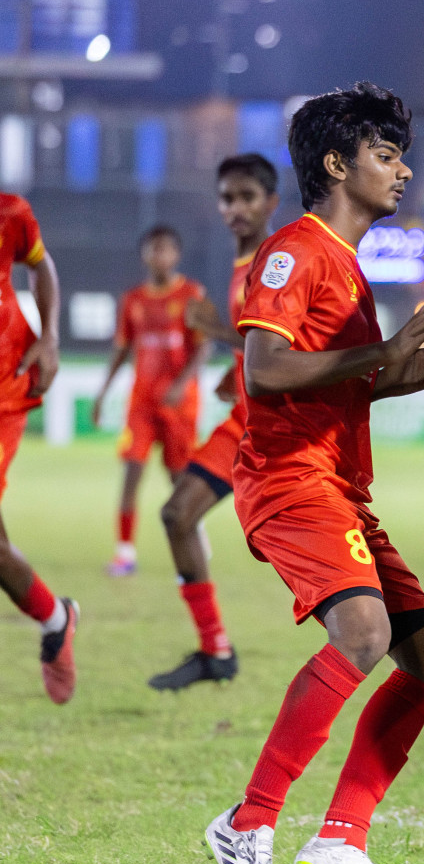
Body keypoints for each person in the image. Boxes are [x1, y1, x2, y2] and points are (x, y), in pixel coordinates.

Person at [205, 83, 424, 864]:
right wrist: (378, 356)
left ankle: (341, 839)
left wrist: (395, 378)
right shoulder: (295, 250)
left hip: (340, 486)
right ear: (336, 163)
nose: (402, 168)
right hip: (287, 482)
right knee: (363, 632)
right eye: (385, 155)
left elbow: (333, 385)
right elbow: (264, 374)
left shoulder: (347, 265)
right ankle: (248, 825)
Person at [147, 154, 279, 691]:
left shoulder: (278, 260)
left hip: (282, 430)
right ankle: (215, 650)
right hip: (244, 420)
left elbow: (293, 340)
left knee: (320, 546)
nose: (235, 208)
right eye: (227, 197)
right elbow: (262, 344)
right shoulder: (239, 261)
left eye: (247, 196)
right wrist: (236, 368)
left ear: (271, 201)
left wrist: (221, 334)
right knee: (178, 514)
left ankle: (416, 625)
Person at [0, 192, 79, 702]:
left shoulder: (11, 212)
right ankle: (57, 618)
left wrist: (48, 335)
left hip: (5, 385)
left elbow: (41, 264)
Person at [94, 226, 208, 576]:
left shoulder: (191, 294)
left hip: (179, 406)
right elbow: (122, 349)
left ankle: (193, 541)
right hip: (141, 404)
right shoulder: (133, 300)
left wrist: (181, 384)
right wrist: (103, 392)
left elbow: (202, 348)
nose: (160, 256)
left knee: (179, 480)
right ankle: (125, 552)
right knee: (131, 473)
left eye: (166, 249)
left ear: (176, 254)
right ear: (145, 254)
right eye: (154, 249)